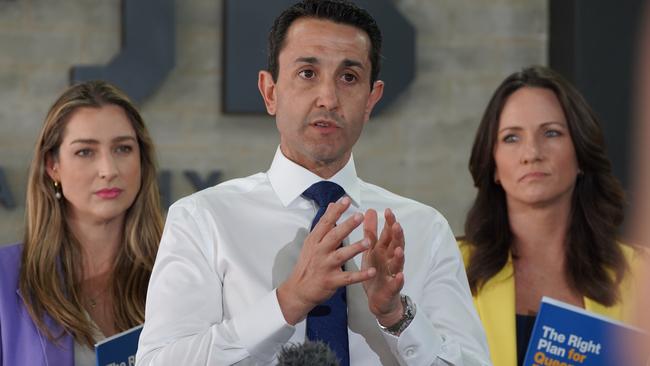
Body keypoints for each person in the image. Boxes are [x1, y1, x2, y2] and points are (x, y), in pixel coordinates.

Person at [136, 1, 490, 365]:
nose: (328, 98)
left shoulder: (423, 230)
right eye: (307, 73)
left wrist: (395, 314)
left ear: (372, 99)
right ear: (270, 91)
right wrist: (287, 301)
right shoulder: (202, 219)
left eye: (348, 77)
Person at [459, 65, 640, 366]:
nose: (532, 152)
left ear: (581, 154)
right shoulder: (450, 265)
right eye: (511, 138)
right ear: (493, 165)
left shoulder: (640, 272)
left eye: (552, 133)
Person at [0, 80, 163, 366]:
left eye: (123, 149)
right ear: (53, 166)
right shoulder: (4, 277)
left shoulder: (179, 270)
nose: (108, 170)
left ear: (142, 159)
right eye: (85, 152)